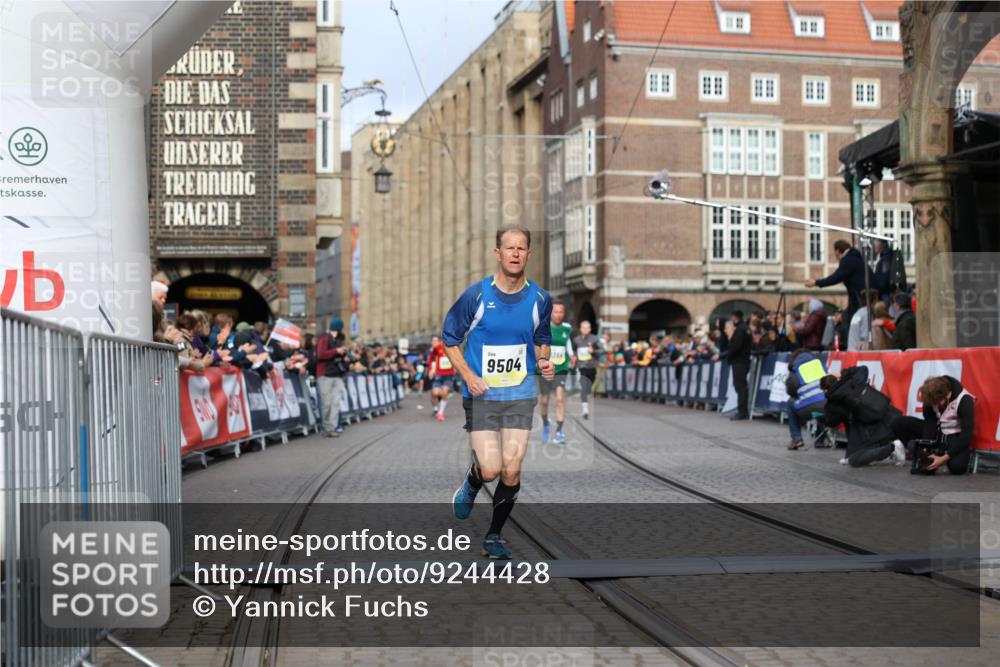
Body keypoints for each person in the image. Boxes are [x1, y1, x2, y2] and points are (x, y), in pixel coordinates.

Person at [443, 226, 554, 560]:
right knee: (491, 469)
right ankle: (473, 481)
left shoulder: (540, 299)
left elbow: (542, 339)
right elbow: (449, 339)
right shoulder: (476, 296)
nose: (516, 253)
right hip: (482, 394)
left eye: (521, 248)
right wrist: (469, 375)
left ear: (528, 255)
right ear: (498, 253)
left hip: (520, 393)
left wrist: (545, 362)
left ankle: (493, 535)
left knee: (512, 469)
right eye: (509, 248)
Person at [820, 367, 906, 467]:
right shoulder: (853, 380)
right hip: (888, 415)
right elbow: (863, 368)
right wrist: (843, 373)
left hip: (871, 431)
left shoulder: (834, 403)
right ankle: (891, 448)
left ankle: (892, 448)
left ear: (825, 390)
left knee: (855, 460)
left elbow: (831, 422)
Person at [892, 376, 974, 475]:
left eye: (937, 403)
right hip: (937, 431)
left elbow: (966, 435)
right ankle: (921, 454)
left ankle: (939, 457)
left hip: (954, 435)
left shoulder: (965, 400)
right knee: (898, 423)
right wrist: (926, 446)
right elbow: (930, 422)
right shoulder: (931, 397)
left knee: (958, 468)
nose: (935, 405)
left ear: (946, 395)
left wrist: (944, 459)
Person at [805, 239, 873, 325]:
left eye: (835, 252)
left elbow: (835, 277)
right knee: (848, 317)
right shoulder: (856, 257)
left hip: (860, 298)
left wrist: (816, 282)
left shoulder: (848, 260)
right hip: (863, 296)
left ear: (838, 251)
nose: (835, 256)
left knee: (851, 321)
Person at [537, 302, 574, 444]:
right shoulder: (544, 327)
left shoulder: (567, 328)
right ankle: (546, 424)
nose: (558, 314)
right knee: (544, 401)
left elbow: (567, 343)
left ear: (563, 314)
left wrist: (571, 355)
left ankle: (559, 432)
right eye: (555, 312)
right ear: (551, 313)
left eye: (561, 312)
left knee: (560, 398)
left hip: (561, 368)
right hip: (546, 369)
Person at [783, 350, 828, 450]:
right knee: (820, 406)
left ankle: (796, 438)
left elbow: (791, 391)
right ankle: (820, 440)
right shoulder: (820, 365)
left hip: (808, 410)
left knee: (790, 402)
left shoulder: (795, 370)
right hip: (826, 407)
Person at [315, 318, 348, 438]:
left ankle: (332, 428)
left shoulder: (338, 340)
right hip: (325, 375)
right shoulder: (324, 338)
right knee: (327, 403)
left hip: (337, 374)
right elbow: (320, 354)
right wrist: (336, 351)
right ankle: (326, 427)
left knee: (335, 403)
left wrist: (344, 354)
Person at [716, 310, 751, 420]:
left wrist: (728, 354)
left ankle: (742, 411)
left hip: (739, 361)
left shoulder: (740, 329)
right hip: (743, 360)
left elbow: (736, 346)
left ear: (736, 318)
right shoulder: (746, 328)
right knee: (741, 387)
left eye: (732, 319)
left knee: (740, 387)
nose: (732, 321)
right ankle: (742, 410)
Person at [572, 320, 601, 420]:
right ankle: (585, 410)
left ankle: (586, 397)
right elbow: (573, 352)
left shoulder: (594, 339)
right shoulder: (576, 340)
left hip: (592, 367)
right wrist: (573, 360)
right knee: (584, 387)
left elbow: (601, 351)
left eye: (587, 328)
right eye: (583, 327)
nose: (585, 329)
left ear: (590, 329)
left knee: (588, 388)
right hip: (581, 367)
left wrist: (593, 351)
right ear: (580, 329)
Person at [426, 335, 456, 421]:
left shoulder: (453, 346)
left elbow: (457, 358)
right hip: (438, 374)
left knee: (444, 392)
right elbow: (431, 359)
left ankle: (440, 412)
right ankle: (436, 408)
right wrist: (431, 369)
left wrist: (455, 367)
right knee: (435, 393)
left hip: (448, 375)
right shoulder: (437, 347)